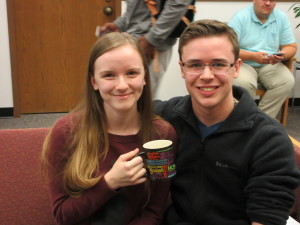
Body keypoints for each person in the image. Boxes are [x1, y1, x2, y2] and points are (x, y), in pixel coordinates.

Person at [154, 19, 300, 225]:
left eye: (218, 64)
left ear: (236, 67)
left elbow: (266, 217)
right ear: (182, 69)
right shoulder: (166, 116)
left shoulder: (268, 139)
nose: (206, 75)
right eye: (195, 65)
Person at [41, 32, 177, 225]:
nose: (122, 86)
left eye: (132, 73)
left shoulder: (162, 135)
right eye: (109, 75)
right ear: (94, 82)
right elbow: (63, 215)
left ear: (145, 77)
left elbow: (154, 212)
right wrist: (111, 182)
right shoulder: (66, 131)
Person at [98, 0, 194, 98]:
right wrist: (120, 24)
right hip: (135, 39)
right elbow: (136, 6)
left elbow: (178, 3)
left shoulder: (149, 43)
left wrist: (151, 39)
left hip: (151, 46)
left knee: (142, 100)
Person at [228, 0, 297, 119]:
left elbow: (291, 46)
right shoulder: (240, 17)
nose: (268, 3)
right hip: (243, 62)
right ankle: (245, 120)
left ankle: (261, 121)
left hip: (270, 63)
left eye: (272, 0)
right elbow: (228, 48)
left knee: (286, 81)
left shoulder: (281, 17)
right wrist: (253, 56)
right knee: (243, 83)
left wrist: (282, 55)